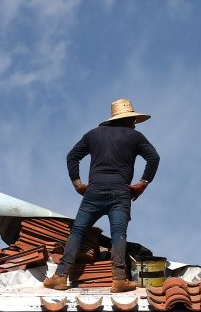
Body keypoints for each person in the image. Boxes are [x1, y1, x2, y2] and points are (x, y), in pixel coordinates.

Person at [43, 98, 160, 292]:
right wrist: (143, 183)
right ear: (127, 120)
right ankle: (119, 279)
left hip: (94, 191)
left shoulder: (93, 134)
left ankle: (60, 276)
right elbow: (153, 157)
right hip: (121, 192)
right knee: (118, 234)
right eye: (132, 120)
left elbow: (72, 156)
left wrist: (78, 184)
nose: (133, 124)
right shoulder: (135, 137)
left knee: (78, 231)